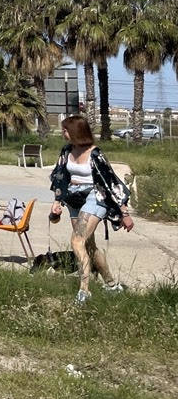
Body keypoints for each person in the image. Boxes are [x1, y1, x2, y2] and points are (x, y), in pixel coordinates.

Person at [49, 114, 134, 303]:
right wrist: (57, 202)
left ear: (76, 131)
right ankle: (111, 285)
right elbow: (59, 176)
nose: (63, 133)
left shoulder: (96, 154)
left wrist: (124, 212)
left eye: (66, 130)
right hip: (73, 198)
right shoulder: (66, 151)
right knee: (88, 245)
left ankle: (84, 291)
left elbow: (112, 183)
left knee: (77, 241)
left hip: (94, 197)